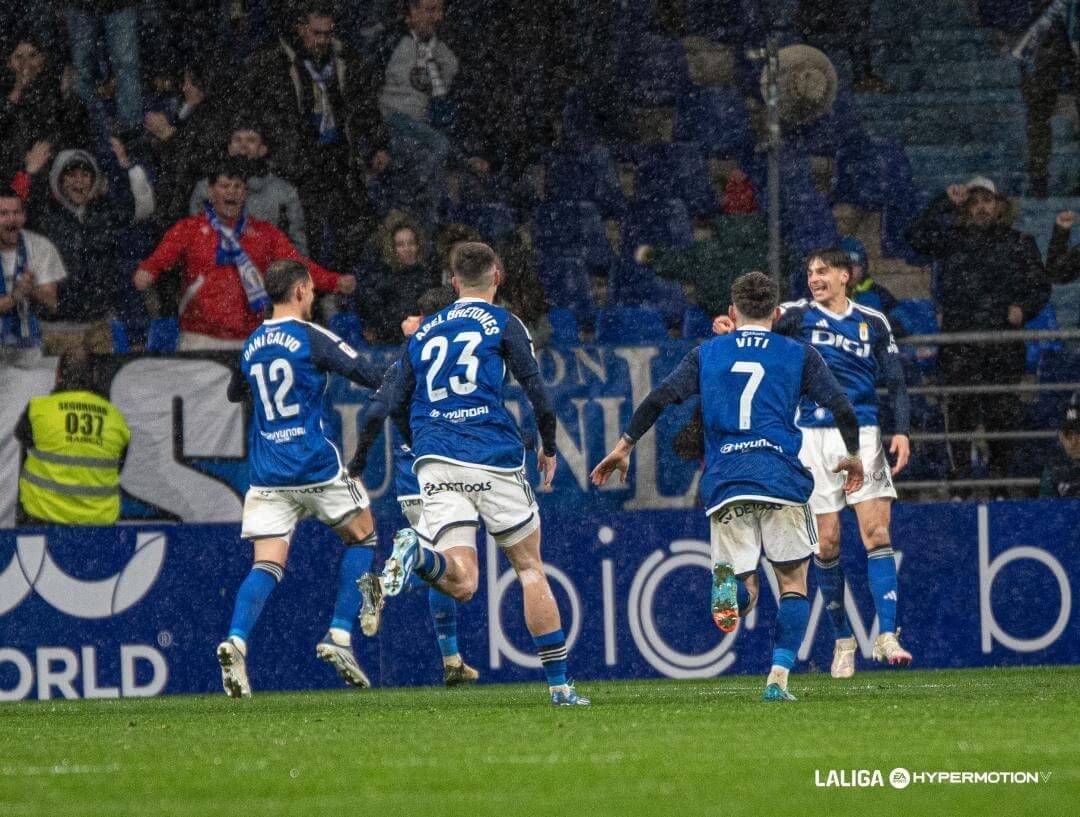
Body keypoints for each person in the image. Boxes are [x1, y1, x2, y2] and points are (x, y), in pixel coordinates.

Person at [591, 271, 864, 702]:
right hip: (779, 476)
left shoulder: (708, 352)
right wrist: (852, 455)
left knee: (745, 585)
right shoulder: (799, 354)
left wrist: (625, 444)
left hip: (725, 479)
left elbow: (661, 397)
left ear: (732, 312)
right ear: (776, 313)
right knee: (793, 583)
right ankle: (778, 679)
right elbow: (843, 408)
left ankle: (732, 589)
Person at [353, 242, 588, 706]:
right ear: (497, 276)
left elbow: (385, 402)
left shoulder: (421, 335)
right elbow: (538, 391)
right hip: (492, 454)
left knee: (462, 582)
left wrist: (366, 459)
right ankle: (560, 688)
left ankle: (417, 554)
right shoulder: (503, 323)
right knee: (529, 569)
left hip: (437, 460)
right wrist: (549, 445)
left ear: (453, 282)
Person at [216, 259, 386, 698]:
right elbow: (367, 373)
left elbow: (236, 392)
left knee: (267, 564)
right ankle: (340, 636)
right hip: (313, 465)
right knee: (363, 536)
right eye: (311, 291)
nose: (313, 298)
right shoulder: (312, 337)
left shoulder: (253, 343)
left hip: (268, 473)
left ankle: (236, 639)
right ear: (299, 292)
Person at [771, 248, 913, 678]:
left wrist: (902, 430)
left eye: (823, 271)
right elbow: (756, 325)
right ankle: (843, 637)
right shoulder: (796, 315)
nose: (814, 278)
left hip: (863, 433)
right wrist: (731, 326)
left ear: (845, 276)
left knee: (876, 532)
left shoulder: (873, 321)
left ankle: (887, 634)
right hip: (811, 437)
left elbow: (897, 382)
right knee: (827, 542)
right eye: (810, 271)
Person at [351, 286, 481, 687]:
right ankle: (389, 581)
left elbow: (376, 410)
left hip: (412, 482)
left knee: (442, 567)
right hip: (448, 477)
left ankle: (452, 660)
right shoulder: (456, 362)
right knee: (449, 566)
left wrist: (359, 460)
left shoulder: (406, 359)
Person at [905, 176, 1051, 480]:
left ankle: (998, 485)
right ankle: (960, 485)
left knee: (1001, 420)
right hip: (960, 346)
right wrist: (942, 201)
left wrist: (1023, 309)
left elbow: (1040, 285)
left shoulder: (1019, 242)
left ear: (999, 205)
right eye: (974, 202)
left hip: (1003, 347)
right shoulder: (952, 239)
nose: (981, 208)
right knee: (959, 419)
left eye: (987, 201)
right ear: (966, 208)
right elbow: (914, 236)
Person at [133, 158, 356, 350]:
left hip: (249, 338)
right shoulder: (189, 230)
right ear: (211, 192)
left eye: (238, 186)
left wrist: (334, 281)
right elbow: (160, 258)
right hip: (200, 338)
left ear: (245, 193)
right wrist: (148, 271)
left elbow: (296, 266)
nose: (232, 191)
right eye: (225, 186)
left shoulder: (264, 233)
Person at [245, 0, 390, 268]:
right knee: (308, 231)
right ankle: (314, 288)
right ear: (301, 29)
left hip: (339, 155)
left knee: (361, 222)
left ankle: (337, 280)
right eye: (317, 33)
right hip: (301, 161)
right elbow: (270, 117)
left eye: (328, 33)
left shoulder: (344, 60)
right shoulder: (276, 63)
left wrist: (379, 143)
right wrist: (288, 157)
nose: (323, 40)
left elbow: (365, 104)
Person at [370, 0, 490, 228]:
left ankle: (422, 227)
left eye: (440, 10)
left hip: (428, 129)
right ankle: (413, 218)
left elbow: (461, 105)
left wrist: (473, 150)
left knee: (441, 153)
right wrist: (377, 142)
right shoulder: (388, 42)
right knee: (438, 146)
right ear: (412, 12)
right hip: (393, 127)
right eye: (430, 10)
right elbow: (366, 96)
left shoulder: (448, 48)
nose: (438, 17)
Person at [25, 139, 153, 332]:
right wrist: (30, 173)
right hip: (53, 324)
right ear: (59, 179)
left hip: (99, 321)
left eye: (86, 175)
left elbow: (143, 209)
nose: (79, 182)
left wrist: (127, 166)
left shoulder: (105, 213)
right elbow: (11, 212)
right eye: (71, 175)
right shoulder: (43, 215)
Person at [15, 350, 130, 525]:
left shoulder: (39, 410)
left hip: (43, 521)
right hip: (98, 526)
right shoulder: (115, 417)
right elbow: (119, 465)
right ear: (94, 377)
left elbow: (23, 439)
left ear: (59, 375)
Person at [188, 120, 309, 255]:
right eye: (237, 140)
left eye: (251, 140)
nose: (243, 146)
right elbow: (194, 237)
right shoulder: (206, 187)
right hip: (216, 266)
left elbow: (298, 242)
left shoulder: (282, 191)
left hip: (267, 269)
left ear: (263, 149)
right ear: (229, 147)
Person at [1011, 0, 1080, 197]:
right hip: (1046, 29)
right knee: (1037, 112)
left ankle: (1039, 178)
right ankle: (1038, 178)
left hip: (1064, 24)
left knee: (1038, 113)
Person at [0, 189, 65, 368]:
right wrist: (15, 296)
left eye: (16, 213)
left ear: (24, 216)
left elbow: (52, 302)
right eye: (3, 214)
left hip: (29, 348)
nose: (11, 219)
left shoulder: (40, 247)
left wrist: (32, 290)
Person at [355, 212, 436, 344]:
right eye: (400, 245)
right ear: (392, 249)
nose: (407, 249)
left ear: (418, 245)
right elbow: (377, 321)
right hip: (390, 345)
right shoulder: (380, 280)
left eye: (411, 243)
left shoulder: (428, 278)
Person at [1040, 395, 1080, 497]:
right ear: (1061, 437)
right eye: (1069, 435)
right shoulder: (1054, 468)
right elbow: (1045, 508)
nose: (1074, 441)